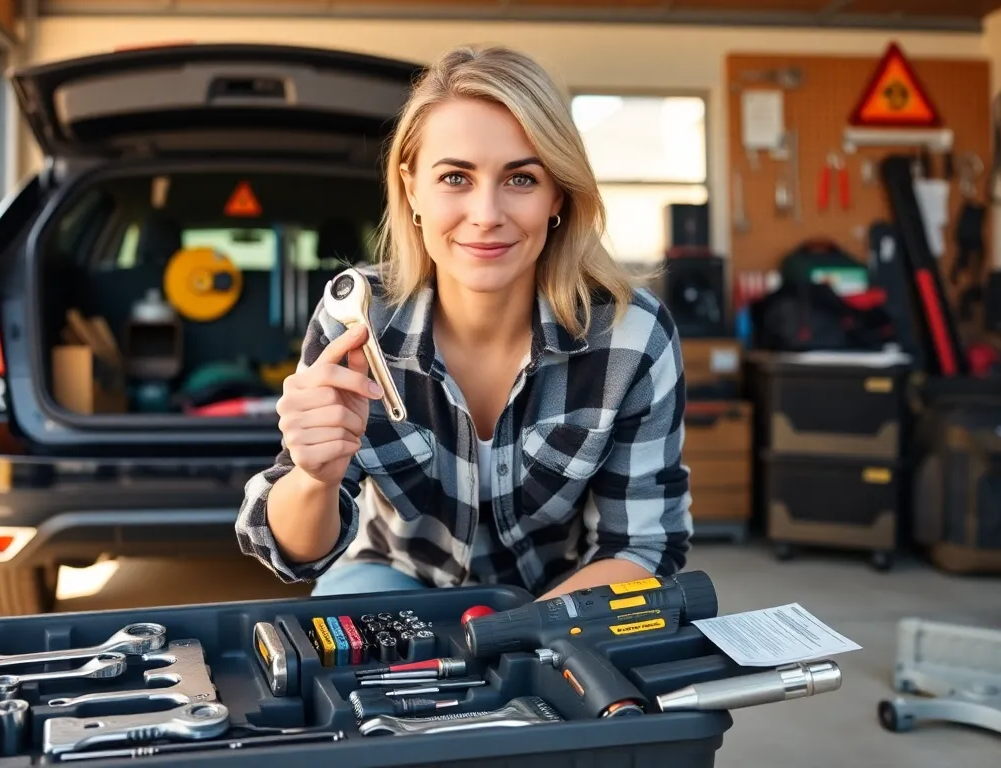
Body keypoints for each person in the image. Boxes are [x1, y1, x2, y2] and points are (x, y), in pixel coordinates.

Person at [235, 44, 692, 601]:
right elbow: (295, 554)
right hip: (393, 576)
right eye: (455, 177)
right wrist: (315, 476)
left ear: (557, 196)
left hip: (562, 594)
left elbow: (640, 548)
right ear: (412, 188)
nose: (486, 215)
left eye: (521, 179)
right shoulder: (357, 316)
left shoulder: (632, 336)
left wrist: (511, 639)